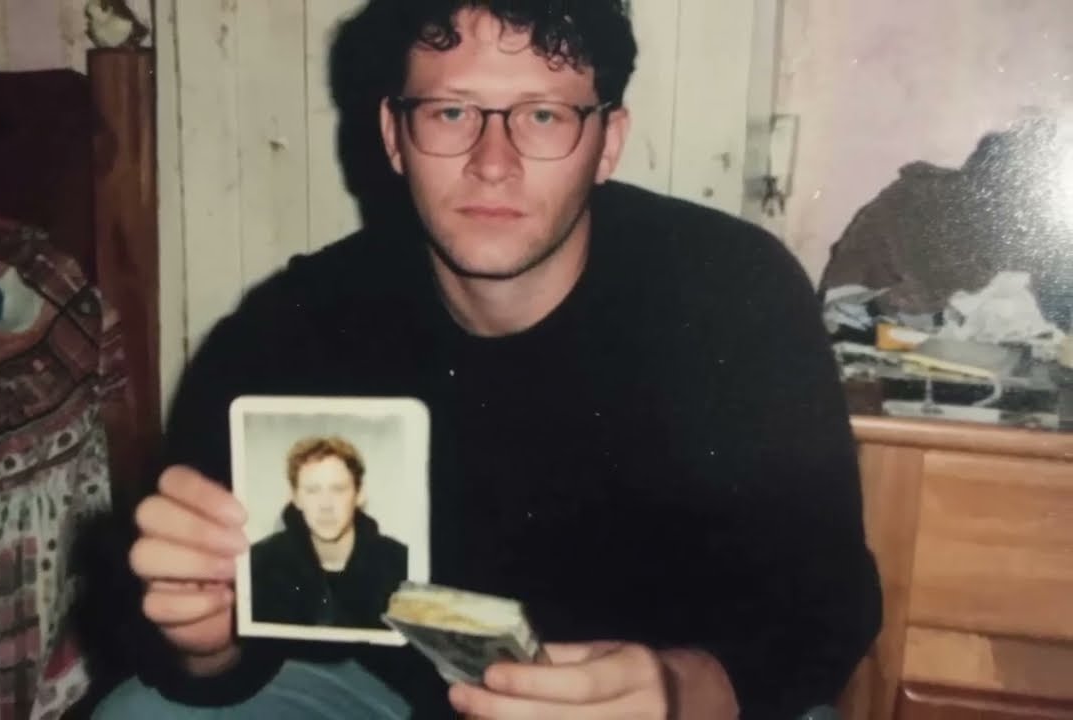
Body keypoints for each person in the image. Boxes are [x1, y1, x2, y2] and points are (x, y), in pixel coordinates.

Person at [99, 1, 882, 718]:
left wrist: (682, 691)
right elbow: (208, 657)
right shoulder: (290, 327)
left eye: (542, 115)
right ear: (394, 135)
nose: (493, 161)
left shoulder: (732, 293)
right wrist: (202, 640)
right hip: (393, 693)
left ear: (607, 143)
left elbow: (828, 603)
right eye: (451, 112)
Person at [249, 436, 407, 629]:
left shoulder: (401, 564)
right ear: (295, 497)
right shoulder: (258, 565)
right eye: (312, 490)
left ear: (359, 494)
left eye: (338, 489)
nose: (325, 505)